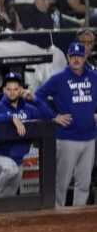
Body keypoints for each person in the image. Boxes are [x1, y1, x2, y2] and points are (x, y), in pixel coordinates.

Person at [37, 43, 97, 207]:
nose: (76, 59)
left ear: (85, 58)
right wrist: (53, 116)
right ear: (68, 58)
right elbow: (38, 96)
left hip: (90, 138)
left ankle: (77, 217)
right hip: (67, 138)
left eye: (80, 56)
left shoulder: (94, 77)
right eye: (73, 56)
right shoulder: (59, 79)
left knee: (84, 183)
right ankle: (57, 215)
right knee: (61, 182)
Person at [0, 72, 53, 198]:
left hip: (18, 160)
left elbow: (48, 117)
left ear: (20, 89)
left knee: (10, 196)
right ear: (4, 90)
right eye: (9, 89)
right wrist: (11, 117)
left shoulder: (28, 108)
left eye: (15, 89)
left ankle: (0, 213)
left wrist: (35, 100)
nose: (12, 92)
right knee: (10, 169)